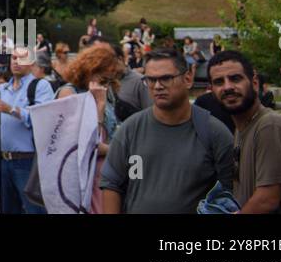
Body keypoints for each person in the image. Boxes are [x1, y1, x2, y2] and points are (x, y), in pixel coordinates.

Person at [100, 49, 234, 214]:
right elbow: (111, 185)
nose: (157, 86)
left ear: (187, 79)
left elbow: (227, 195)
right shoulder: (130, 129)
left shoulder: (214, 133)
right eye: (150, 80)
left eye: (166, 78)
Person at [207, 50, 281, 214]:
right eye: (219, 82)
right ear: (211, 90)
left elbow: (267, 200)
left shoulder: (269, 126)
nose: (227, 87)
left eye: (235, 78)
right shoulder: (242, 128)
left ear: (254, 83)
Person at [55, 43, 127, 212]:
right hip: (81, 176)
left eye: (110, 80)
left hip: (105, 171)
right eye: (103, 79)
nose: (106, 85)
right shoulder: (69, 93)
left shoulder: (105, 91)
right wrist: (99, 105)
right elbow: (86, 144)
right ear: (89, 70)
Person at [0, 46, 56, 213]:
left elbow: (43, 118)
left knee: (35, 209)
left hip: (27, 160)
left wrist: (11, 109)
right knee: (7, 209)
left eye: (22, 58)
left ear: (32, 62)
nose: (16, 62)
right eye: (13, 58)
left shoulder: (40, 86)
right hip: (2, 159)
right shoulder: (2, 89)